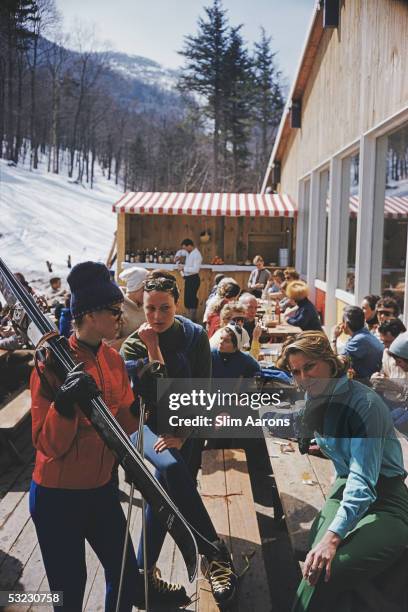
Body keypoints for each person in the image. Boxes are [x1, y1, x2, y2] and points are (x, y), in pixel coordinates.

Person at [29, 261, 145, 611]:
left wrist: (142, 405)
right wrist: (64, 405)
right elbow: (46, 445)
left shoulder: (112, 359)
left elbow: (122, 425)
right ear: (91, 315)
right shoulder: (51, 363)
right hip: (57, 497)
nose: (120, 318)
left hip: (101, 490)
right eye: (114, 311)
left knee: (126, 573)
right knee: (69, 590)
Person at [121, 270, 237, 608]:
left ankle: (144, 573)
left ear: (177, 306)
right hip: (146, 426)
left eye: (165, 309)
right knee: (169, 468)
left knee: (166, 486)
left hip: (187, 425)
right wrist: (153, 347)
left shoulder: (195, 335)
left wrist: (185, 434)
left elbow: (203, 390)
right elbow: (153, 394)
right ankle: (215, 553)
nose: (156, 316)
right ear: (142, 305)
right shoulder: (133, 344)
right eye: (150, 308)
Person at [277, 331, 408, 612]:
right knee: (316, 561)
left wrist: (333, 537)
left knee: (326, 571)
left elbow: (363, 479)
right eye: (296, 371)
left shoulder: (365, 405)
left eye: (309, 366)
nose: (303, 377)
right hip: (344, 488)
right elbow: (295, 424)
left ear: (330, 361)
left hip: (385, 500)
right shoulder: (316, 398)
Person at [332, 305, 383, 380]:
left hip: (367, 384)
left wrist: (334, 338)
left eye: (342, 321)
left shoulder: (358, 341)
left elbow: (336, 364)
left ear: (345, 323)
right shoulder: (364, 334)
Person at [106, 266, 148, 350]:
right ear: (136, 287)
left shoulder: (146, 305)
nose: (148, 292)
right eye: (145, 288)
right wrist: (138, 336)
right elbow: (109, 346)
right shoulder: (116, 307)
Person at [177, 238, 202, 322]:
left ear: (190, 246)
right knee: (187, 300)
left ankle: (192, 319)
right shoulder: (189, 253)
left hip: (194, 279)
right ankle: (190, 319)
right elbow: (181, 252)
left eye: (185, 248)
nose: (184, 250)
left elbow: (195, 269)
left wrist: (183, 267)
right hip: (188, 278)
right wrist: (178, 256)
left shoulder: (197, 255)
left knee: (192, 299)